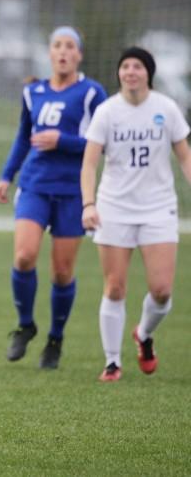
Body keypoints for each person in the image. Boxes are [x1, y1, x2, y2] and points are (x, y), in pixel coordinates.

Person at [0, 27, 106, 369]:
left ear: (79, 54)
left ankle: (55, 339)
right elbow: (23, 138)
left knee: (61, 272)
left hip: (73, 191)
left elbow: (101, 142)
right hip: (35, 185)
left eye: (69, 46)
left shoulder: (91, 93)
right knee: (25, 256)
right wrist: (6, 176)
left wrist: (64, 141)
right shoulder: (33, 92)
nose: (62, 51)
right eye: (57, 45)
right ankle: (26, 326)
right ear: (50, 52)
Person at [81, 46, 191, 382]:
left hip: (158, 207)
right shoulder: (107, 112)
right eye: (125, 65)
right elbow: (89, 162)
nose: (131, 71)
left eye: (138, 66)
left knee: (161, 290)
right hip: (114, 207)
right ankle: (112, 361)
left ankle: (143, 334)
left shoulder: (166, 109)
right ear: (119, 73)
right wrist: (88, 204)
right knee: (114, 287)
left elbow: (184, 156)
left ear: (148, 73)